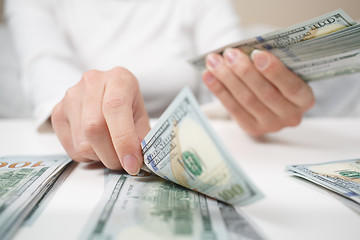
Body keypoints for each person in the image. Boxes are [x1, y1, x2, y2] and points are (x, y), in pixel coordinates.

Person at [5, 0, 359, 175]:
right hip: (86, 121)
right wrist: (79, 104)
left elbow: (224, 53)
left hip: (197, 109)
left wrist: (246, 97)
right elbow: (46, 72)